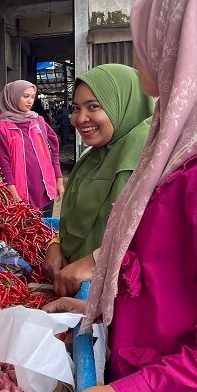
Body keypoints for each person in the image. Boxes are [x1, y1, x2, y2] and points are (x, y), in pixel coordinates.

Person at [46, 0, 197, 392]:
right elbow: (160, 271)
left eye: (149, 37)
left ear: (190, 37)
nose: (141, 56)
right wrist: (101, 310)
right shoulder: (181, 140)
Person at [44, 64, 153, 297]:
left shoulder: (149, 160)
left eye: (93, 107)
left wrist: (93, 262)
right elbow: (74, 222)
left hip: (125, 298)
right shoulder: (92, 158)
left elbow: (154, 239)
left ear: (123, 105)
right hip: (82, 294)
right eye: (75, 109)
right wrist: (56, 245)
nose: (80, 118)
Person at [0, 80, 65, 216]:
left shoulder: (38, 121)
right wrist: (13, 194)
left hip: (45, 191)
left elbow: (53, 152)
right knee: (27, 234)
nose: (30, 101)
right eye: (25, 96)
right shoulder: (1, 128)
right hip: (21, 194)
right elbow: (3, 165)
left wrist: (58, 180)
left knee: (46, 231)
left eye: (32, 97)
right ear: (13, 96)